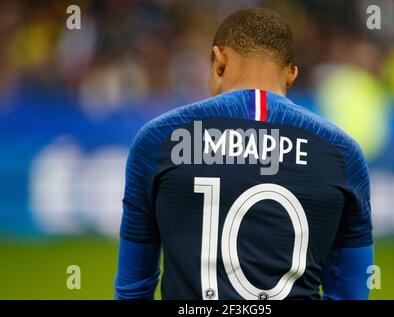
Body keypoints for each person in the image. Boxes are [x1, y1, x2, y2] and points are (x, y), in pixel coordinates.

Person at [115, 7, 373, 300]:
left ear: (220, 60)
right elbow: (350, 294)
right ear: (291, 75)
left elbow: (133, 288)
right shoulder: (342, 154)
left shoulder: (160, 139)